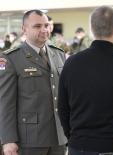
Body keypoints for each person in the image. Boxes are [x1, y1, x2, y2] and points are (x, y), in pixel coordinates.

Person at [58, 5, 113, 155]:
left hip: (77, 146)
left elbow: (62, 108)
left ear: (92, 29)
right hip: (111, 147)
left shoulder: (71, 63)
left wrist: (73, 137)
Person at [0, 9, 67, 155]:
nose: (44, 30)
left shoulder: (59, 54)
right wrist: (8, 139)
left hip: (59, 136)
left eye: (46, 25)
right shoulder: (11, 58)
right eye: (37, 26)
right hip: (30, 138)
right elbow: (5, 103)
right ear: (24, 29)